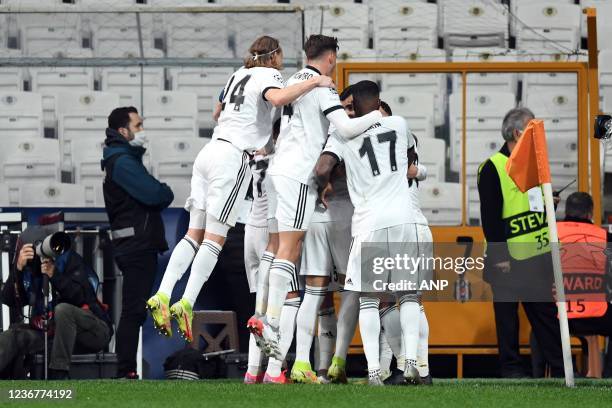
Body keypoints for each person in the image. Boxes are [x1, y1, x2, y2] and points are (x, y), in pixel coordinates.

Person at [146, 35, 334, 343]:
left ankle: (163, 294)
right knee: (214, 241)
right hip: (231, 157)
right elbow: (277, 98)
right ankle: (187, 302)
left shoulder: (236, 73)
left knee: (193, 234)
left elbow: (217, 113)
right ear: (275, 56)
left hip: (207, 152)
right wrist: (314, 83)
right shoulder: (269, 74)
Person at [249, 36, 383, 377]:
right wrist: (379, 117)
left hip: (278, 170)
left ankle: (265, 325)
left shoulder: (293, 79)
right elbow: (347, 126)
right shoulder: (322, 88)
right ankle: (271, 321)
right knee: (290, 251)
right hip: (297, 174)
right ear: (332, 57)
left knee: (277, 247)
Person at [316, 81, 422, 385]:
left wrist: (331, 178)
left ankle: (374, 370)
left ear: (356, 105)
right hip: (404, 219)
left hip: (368, 223)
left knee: (368, 299)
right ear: (378, 101)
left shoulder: (343, 133)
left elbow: (323, 168)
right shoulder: (399, 123)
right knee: (408, 294)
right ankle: (411, 362)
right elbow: (411, 161)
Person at [477, 107, 564, 378]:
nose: (538, 135)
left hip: (536, 256)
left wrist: (551, 203)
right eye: (532, 130)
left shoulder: (536, 165)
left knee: (546, 318)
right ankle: (511, 369)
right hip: (508, 258)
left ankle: (562, 370)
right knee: (507, 319)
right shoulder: (493, 167)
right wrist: (500, 256)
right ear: (518, 133)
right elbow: (490, 216)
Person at [290, 86, 357, 384]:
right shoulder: (352, 131)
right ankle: (337, 363)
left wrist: (321, 185)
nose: (349, 112)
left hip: (315, 214)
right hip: (345, 215)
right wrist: (328, 181)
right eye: (347, 106)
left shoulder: (315, 131)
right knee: (352, 289)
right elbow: (324, 168)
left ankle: (308, 365)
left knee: (316, 295)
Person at [101, 106, 174, 379]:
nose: (142, 131)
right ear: (124, 131)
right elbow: (157, 194)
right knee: (133, 311)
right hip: (136, 246)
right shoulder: (122, 162)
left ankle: (126, 369)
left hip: (135, 244)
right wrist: (163, 190)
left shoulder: (121, 159)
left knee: (134, 310)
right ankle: (125, 370)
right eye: (138, 125)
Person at [0, 237, 112, 379]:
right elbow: (10, 300)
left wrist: (55, 275)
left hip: (92, 331)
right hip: (52, 336)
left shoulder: (68, 259)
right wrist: (18, 269)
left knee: (63, 310)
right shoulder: (28, 268)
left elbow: (82, 297)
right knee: (12, 336)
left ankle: (58, 376)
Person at [557, 192, 612, 377]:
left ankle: (553, 373)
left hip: (557, 316)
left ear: (566, 211)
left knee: (539, 328)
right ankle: (609, 376)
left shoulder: (549, 234)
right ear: (590, 213)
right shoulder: (604, 237)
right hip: (597, 315)